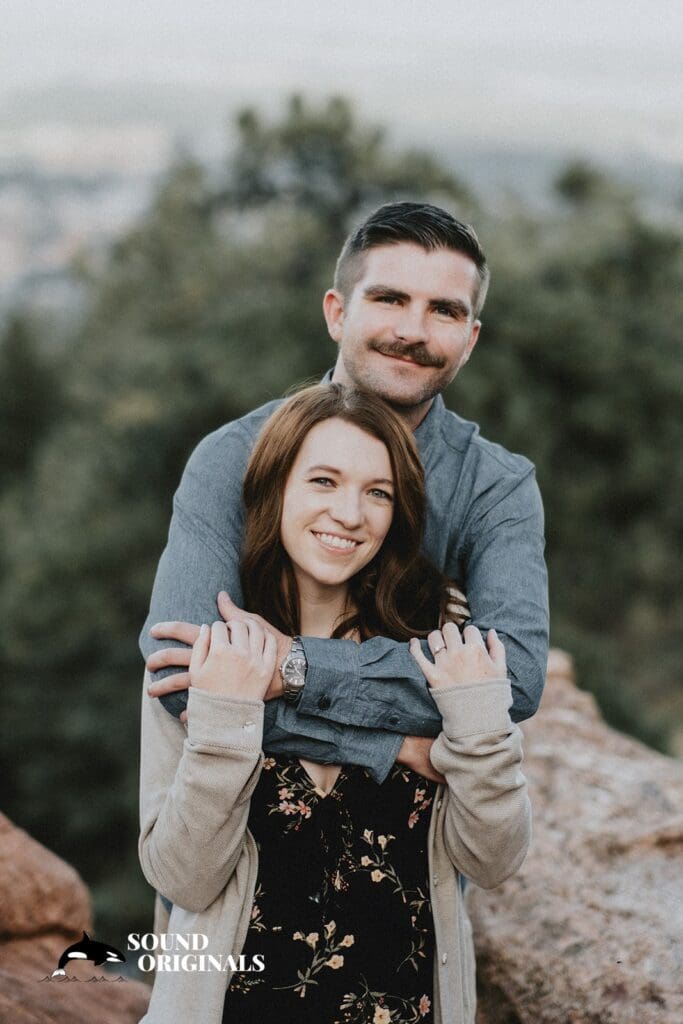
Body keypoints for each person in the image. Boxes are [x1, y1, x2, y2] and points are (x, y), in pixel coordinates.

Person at [138, 384, 531, 1024]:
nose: (350, 514)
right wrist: (229, 720)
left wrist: (480, 725)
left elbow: (493, 860)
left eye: (378, 492)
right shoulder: (206, 652)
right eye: (323, 481)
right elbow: (183, 878)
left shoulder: (441, 646)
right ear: (276, 488)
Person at [141, 201, 548, 791]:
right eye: (390, 299)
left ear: (470, 340)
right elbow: (180, 676)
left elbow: (513, 682)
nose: (413, 332)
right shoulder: (232, 457)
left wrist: (294, 668)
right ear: (337, 313)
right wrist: (388, 744)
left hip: (418, 850)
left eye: (444, 310)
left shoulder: (494, 486)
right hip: (230, 837)